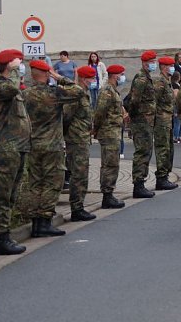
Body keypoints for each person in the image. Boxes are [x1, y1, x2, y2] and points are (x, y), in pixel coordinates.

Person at [23, 59, 82, 237]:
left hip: (33, 144)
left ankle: (35, 224)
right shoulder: (54, 93)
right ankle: (45, 221)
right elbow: (78, 91)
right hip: (52, 146)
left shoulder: (26, 94)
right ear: (47, 74)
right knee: (52, 183)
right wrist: (59, 78)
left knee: (35, 184)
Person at [0, 48, 30, 256]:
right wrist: (14, 71)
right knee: (3, 196)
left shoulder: (14, 88)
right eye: (18, 63)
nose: (21, 67)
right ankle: (0, 238)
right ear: (9, 66)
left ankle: (5, 235)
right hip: (7, 149)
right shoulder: (3, 87)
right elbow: (12, 87)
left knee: (11, 195)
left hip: (18, 148)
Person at [62, 66, 99, 222]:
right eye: (92, 78)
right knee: (78, 175)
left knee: (82, 174)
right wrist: (69, 135)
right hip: (76, 139)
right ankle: (76, 208)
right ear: (84, 79)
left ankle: (79, 206)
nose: (94, 81)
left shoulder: (84, 94)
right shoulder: (76, 95)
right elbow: (66, 117)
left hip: (82, 139)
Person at [92, 64, 127, 209]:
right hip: (108, 132)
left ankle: (109, 193)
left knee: (113, 163)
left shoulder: (113, 90)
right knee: (109, 164)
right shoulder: (107, 91)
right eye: (121, 74)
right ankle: (107, 195)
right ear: (115, 76)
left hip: (114, 132)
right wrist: (96, 129)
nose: (123, 77)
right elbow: (100, 112)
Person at [129, 50, 158, 199]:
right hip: (141, 121)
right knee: (142, 152)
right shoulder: (141, 78)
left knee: (146, 151)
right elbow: (134, 100)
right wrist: (137, 117)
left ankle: (141, 183)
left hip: (146, 120)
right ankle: (138, 185)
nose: (154, 64)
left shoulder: (146, 77)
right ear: (145, 63)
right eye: (152, 62)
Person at [154, 56, 179, 190]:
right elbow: (155, 101)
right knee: (163, 149)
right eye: (171, 66)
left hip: (168, 120)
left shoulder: (167, 81)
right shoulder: (160, 82)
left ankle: (165, 176)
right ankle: (161, 178)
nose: (173, 68)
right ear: (164, 67)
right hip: (161, 121)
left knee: (169, 149)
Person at [171, 71, 181, 143]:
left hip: (177, 105)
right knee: (177, 122)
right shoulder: (175, 85)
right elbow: (176, 96)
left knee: (178, 122)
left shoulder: (176, 84)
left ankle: (177, 136)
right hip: (176, 105)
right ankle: (176, 137)